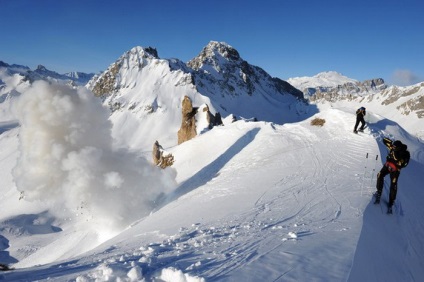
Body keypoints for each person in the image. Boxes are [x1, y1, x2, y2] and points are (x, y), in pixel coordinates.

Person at [374, 138, 410, 213]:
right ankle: (379, 192)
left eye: (394, 147)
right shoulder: (393, 147)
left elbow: (403, 164)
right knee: (380, 175)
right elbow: (384, 140)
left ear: (398, 148)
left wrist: (397, 160)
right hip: (387, 166)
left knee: (393, 185)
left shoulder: (405, 154)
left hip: (395, 170)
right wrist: (390, 142)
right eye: (392, 147)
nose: (392, 148)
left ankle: (391, 202)